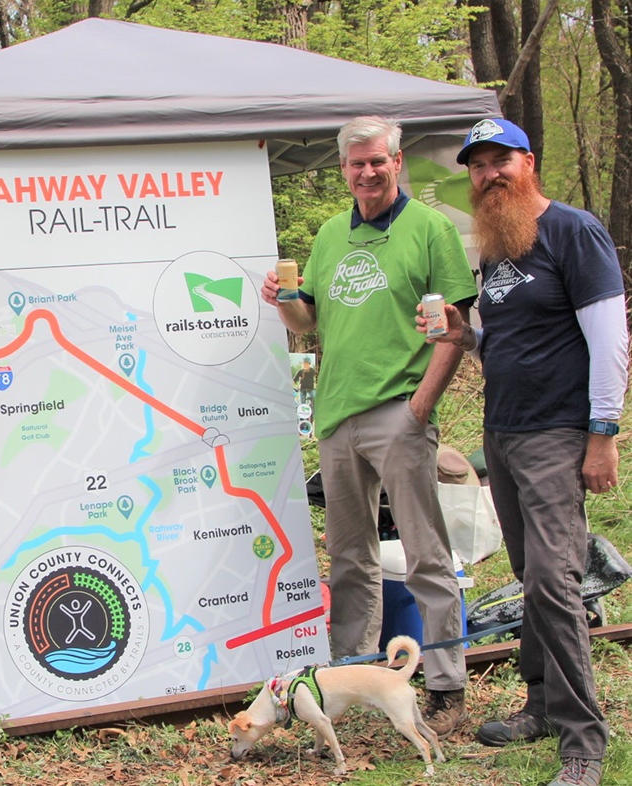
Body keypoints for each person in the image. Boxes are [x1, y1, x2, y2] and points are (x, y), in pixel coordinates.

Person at [417, 118, 627, 786]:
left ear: (528, 162)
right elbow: (509, 339)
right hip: (503, 432)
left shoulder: (573, 231)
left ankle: (583, 743)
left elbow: (609, 338)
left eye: (499, 161)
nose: (489, 175)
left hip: (556, 433)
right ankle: (540, 704)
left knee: (554, 582)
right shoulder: (498, 248)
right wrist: (463, 334)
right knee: (529, 574)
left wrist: (603, 433)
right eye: (478, 166)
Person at [262, 115, 477, 737]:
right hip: (337, 415)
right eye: (356, 163)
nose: (368, 172)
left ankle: (445, 686)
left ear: (397, 161)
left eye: (378, 160)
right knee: (350, 558)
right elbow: (307, 323)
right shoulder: (332, 234)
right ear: (344, 169)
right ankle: (349, 680)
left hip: (398, 410)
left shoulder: (431, 228)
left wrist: (420, 406)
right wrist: (283, 299)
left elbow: (456, 327)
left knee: (425, 554)